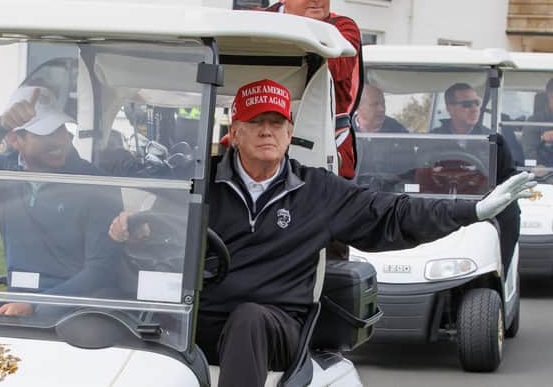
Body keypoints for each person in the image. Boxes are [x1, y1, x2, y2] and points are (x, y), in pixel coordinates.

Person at [109, 78, 535, 387]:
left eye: (277, 123)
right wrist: (136, 227)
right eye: (256, 122)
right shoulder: (201, 186)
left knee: (249, 318)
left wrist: (475, 209)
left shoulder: (317, 191)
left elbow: (394, 215)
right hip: (201, 318)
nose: (267, 131)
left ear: (290, 133)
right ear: (234, 132)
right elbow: (165, 226)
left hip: (275, 325)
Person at [0, 85, 121, 316]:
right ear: (15, 139)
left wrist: (35, 305)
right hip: (17, 301)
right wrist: (0, 125)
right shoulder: (6, 175)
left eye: (60, 129)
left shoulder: (95, 184)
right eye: (45, 133)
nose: (59, 140)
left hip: (71, 305)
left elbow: (101, 270)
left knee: (44, 315)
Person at [267, 0, 363, 180]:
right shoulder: (257, 21)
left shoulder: (343, 28)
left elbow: (335, 68)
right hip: (267, 140)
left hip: (326, 143)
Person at [431, 82, 521, 276]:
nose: (474, 108)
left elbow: (509, 174)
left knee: (511, 211)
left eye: (476, 103)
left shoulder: (493, 140)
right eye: (466, 104)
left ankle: (499, 272)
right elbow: (419, 173)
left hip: (482, 201)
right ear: (450, 109)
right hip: (442, 200)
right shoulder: (433, 139)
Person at [522, 79, 553, 167]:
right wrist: (536, 166)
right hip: (544, 175)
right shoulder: (534, 122)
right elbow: (529, 155)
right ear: (550, 96)